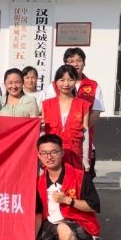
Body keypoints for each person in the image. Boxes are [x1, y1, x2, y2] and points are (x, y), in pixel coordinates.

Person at [35, 134, 100, 240]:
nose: (49, 157)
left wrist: (68, 200)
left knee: (64, 230)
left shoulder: (81, 177)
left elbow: (93, 206)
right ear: (39, 155)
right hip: (52, 222)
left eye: (54, 152)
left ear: (62, 152)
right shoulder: (39, 181)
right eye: (44, 153)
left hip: (80, 223)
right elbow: (38, 213)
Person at [45, 48, 105, 176]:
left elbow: (95, 114)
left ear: (84, 63)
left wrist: (76, 129)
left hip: (79, 144)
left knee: (80, 180)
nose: (75, 64)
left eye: (79, 60)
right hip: (55, 145)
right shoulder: (53, 86)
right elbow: (48, 114)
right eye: (70, 61)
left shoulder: (93, 85)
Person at [41, 65, 91, 171]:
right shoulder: (46, 105)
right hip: (51, 157)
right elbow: (42, 133)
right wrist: (41, 156)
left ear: (75, 81)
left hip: (74, 155)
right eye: (62, 80)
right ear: (56, 82)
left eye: (70, 80)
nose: (66, 84)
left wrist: (85, 159)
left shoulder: (83, 105)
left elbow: (85, 134)